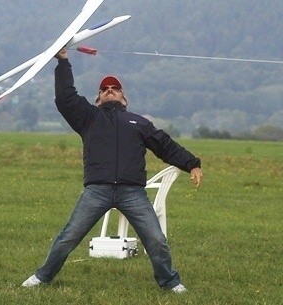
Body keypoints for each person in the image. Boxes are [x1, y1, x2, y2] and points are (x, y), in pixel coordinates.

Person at [22, 48, 203, 293]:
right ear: (98, 99)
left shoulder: (139, 123)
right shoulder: (89, 117)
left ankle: (170, 282)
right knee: (68, 237)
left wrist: (191, 163)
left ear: (124, 99)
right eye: (105, 89)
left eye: (115, 88)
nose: (110, 90)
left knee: (156, 240)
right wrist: (63, 62)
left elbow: (165, 146)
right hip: (97, 191)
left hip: (133, 193)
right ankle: (42, 277)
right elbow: (65, 98)